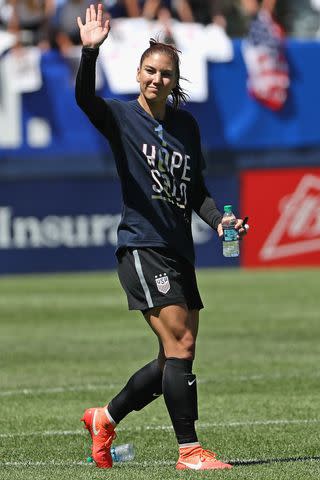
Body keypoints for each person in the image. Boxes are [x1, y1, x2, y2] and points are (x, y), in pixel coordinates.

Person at [76, 3, 248, 471]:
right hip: (142, 246)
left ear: (175, 80)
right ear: (137, 73)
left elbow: (197, 192)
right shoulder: (120, 117)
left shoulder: (186, 127)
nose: (156, 79)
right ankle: (189, 452)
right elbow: (85, 101)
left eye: (165, 74)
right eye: (149, 71)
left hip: (178, 251)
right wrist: (90, 54)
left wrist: (218, 221)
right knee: (182, 347)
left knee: (171, 356)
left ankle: (105, 418)